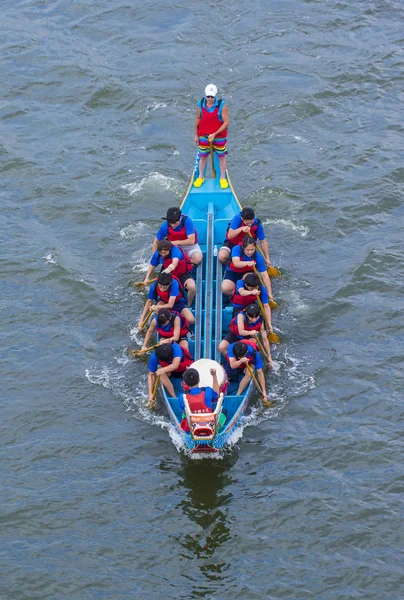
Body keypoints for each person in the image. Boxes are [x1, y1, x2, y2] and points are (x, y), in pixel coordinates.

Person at [193, 83, 230, 189]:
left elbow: (226, 122)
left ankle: (222, 178)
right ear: (205, 95)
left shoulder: (222, 106)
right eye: (208, 96)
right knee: (203, 157)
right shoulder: (200, 104)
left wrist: (214, 134)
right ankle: (200, 177)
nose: (210, 99)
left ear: (215, 96)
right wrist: (196, 135)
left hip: (218, 137)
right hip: (203, 136)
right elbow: (197, 120)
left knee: (221, 157)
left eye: (212, 97)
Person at [143, 239, 196, 306]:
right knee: (161, 288)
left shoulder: (175, 251)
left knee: (192, 287)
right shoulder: (158, 253)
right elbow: (152, 265)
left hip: (181, 274)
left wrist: (168, 269)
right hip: (167, 276)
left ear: (169, 249)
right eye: (161, 253)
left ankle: (188, 304)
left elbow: (174, 263)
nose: (163, 254)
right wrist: (147, 277)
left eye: (164, 253)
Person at [221, 235, 273, 300]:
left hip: (247, 273)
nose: (250, 252)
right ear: (243, 248)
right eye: (248, 250)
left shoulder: (257, 256)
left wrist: (269, 293)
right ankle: (235, 295)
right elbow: (236, 263)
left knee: (252, 284)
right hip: (233, 271)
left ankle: (248, 297)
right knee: (225, 289)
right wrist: (248, 263)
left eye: (252, 249)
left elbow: (264, 275)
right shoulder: (236, 249)